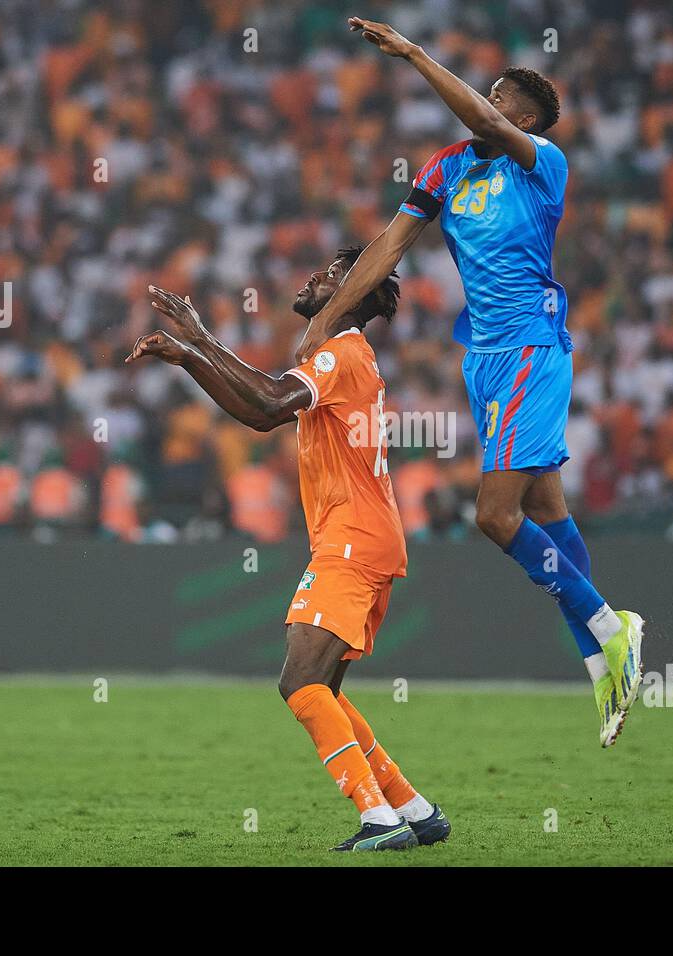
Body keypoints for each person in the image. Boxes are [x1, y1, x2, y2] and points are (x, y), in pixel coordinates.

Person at [295, 16, 643, 748]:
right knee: (545, 506)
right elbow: (389, 245)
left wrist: (415, 52)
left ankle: (614, 629)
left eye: (497, 97)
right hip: (483, 359)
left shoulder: (540, 161)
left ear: (523, 117)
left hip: (529, 349)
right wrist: (326, 318)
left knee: (494, 516)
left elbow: (480, 114)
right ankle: (600, 659)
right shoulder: (448, 167)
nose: (484, 103)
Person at [126, 248, 448, 851]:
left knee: (298, 681)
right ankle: (412, 806)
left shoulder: (341, 351)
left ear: (351, 290)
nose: (313, 274)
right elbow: (259, 410)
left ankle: (379, 818)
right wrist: (194, 346)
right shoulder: (340, 354)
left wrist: (194, 350)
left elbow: (271, 404)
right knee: (320, 687)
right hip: (361, 535)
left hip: (352, 538)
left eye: (330, 271)